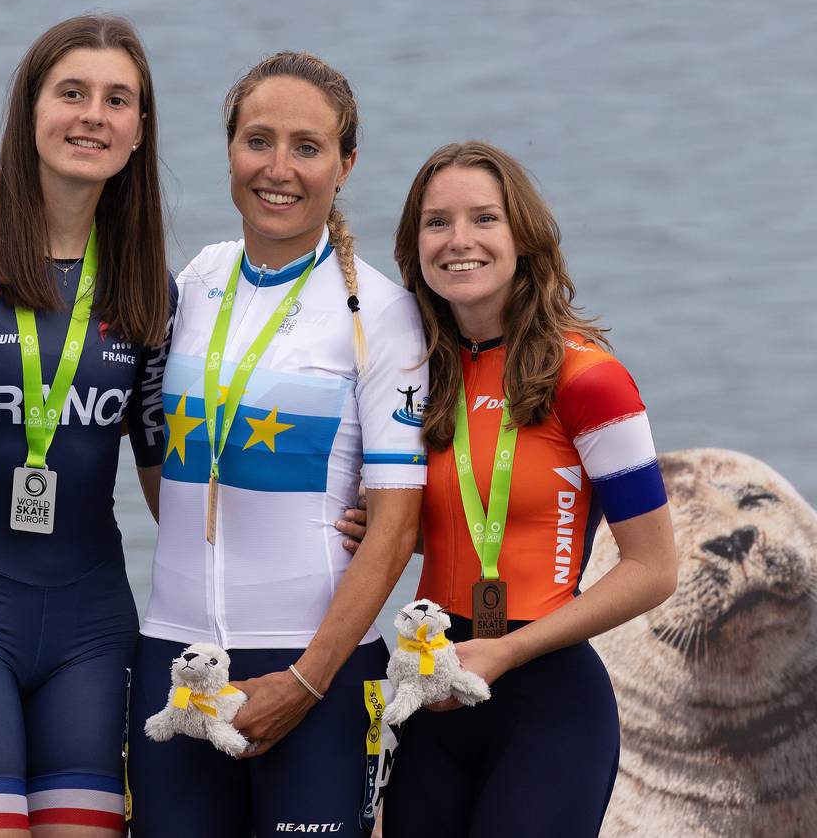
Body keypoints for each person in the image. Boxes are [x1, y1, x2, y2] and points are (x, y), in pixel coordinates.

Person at [127, 51, 428, 837]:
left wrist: (306, 679)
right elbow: (165, 459)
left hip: (316, 669)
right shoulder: (194, 281)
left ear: (346, 163)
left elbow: (395, 527)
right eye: (258, 140)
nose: (279, 169)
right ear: (229, 150)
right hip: (176, 660)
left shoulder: (380, 313)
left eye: (308, 146)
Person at [342, 141, 677, 837]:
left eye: (483, 219)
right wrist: (384, 535)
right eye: (437, 223)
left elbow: (654, 569)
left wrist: (505, 652)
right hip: (433, 693)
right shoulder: (413, 374)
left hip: (546, 697)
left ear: (522, 237)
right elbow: (459, 524)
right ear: (415, 246)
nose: (458, 241)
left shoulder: (588, 378)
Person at [0, 16, 172, 837]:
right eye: (72, 92)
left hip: (89, 627)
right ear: (29, 109)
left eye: (118, 100)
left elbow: (169, 488)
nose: (93, 116)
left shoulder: (149, 292)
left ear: (138, 131)